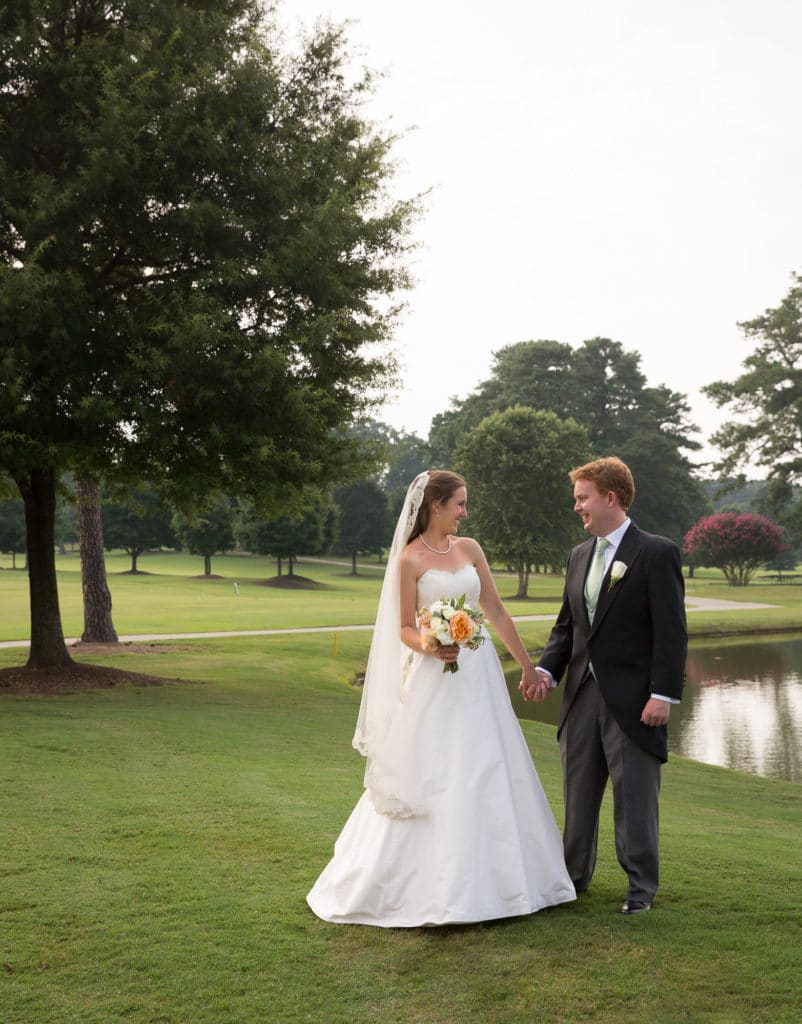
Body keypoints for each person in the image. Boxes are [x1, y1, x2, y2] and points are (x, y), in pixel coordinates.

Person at [307, 470, 576, 926]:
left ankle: (507, 887)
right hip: (434, 678)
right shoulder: (408, 559)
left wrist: (528, 666)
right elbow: (402, 628)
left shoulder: (470, 549)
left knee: (488, 764)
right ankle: (435, 891)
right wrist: (431, 645)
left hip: (479, 674)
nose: (465, 513)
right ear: (436, 505)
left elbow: (495, 610)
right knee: (437, 768)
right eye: (460, 504)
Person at [522, 457, 686, 914]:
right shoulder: (578, 555)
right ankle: (573, 881)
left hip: (634, 701)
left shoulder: (656, 552)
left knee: (634, 799)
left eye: (583, 497)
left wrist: (662, 694)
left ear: (610, 498)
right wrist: (547, 672)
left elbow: (671, 632)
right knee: (577, 794)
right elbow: (567, 628)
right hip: (580, 696)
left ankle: (640, 891)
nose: (577, 506)